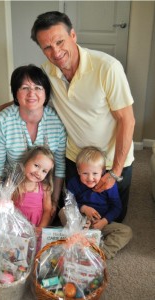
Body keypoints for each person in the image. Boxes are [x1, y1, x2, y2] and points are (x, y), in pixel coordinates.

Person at [31, 11, 135, 222]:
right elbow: (29, 97)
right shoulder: (46, 72)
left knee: (112, 220)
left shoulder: (108, 68)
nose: (56, 52)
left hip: (112, 160)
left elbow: (127, 120)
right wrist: (0, 112)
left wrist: (114, 172)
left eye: (60, 41)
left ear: (73, 36)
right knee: (70, 215)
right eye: (47, 47)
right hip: (75, 158)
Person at [0, 64, 66, 216]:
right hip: (12, 190)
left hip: (45, 191)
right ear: (16, 94)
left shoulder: (57, 121)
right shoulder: (3, 120)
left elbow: (60, 168)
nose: (31, 93)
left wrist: (54, 202)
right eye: (24, 88)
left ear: (46, 93)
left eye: (38, 87)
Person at [59, 146, 133, 259]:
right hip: (79, 222)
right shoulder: (73, 183)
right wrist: (83, 208)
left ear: (102, 171)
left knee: (126, 231)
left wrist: (104, 221)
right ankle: (78, 242)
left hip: (100, 223)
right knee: (63, 211)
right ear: (78, 170)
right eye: (85, 173)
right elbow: (69, 203)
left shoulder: (109, 185)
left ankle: (101, 253)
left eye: (95, 173)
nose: (90, 178)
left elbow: (117, 207)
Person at [13, 146, 55, 229]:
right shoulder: (14, 185)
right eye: (36, 165)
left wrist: (40, 229)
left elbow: (47, 211)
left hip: (36, 228)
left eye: (44, 171)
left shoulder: (45, 188)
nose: (38, 172)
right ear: (26, 161)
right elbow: (6, 207)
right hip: (15, 228)